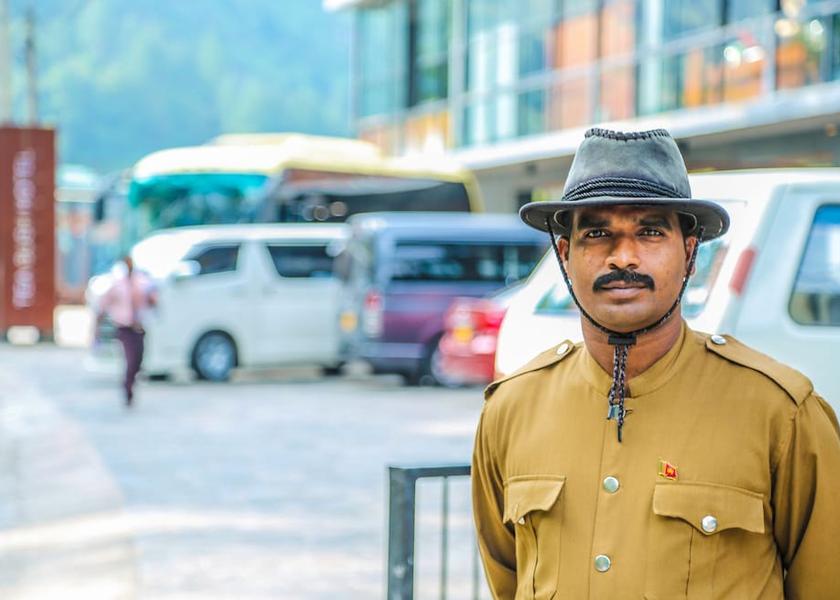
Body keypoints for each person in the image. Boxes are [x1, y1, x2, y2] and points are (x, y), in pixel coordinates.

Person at [471, 128, 840, 599]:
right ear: (566, 255)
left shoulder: (782, 412)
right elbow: (509, 577)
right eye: (597, 233)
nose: (623, 256)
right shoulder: (511, 408)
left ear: (689, 254)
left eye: (649, 231)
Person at [96, 256, 157, 407]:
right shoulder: (117, 285)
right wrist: (97, 325)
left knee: (138, 359)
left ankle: (131, 381)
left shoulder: (142, 282)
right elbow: (104, 304)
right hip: (125, 327)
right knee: (130, 360)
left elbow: (152, 300)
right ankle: (128, 388)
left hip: (139, 326)